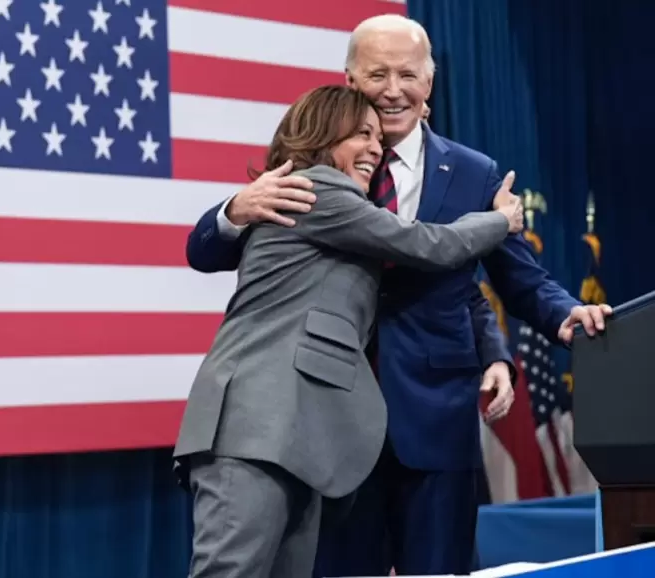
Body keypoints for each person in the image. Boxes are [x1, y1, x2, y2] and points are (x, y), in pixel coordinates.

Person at [183, 14, 613, 577]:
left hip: (433, 417)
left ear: (429, 84)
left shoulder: (471, 172)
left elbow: (506, 281)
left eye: (406, 74)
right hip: (322, 420)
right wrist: (233, 211)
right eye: (377, 73)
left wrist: (560, 315)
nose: (392, 89)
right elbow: (206, 252)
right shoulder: (308, 173)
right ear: (349, 78)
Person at [173, 85, 524, 578]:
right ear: (323, 135)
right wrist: (500, 219)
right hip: (257, 427)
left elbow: (454, 289)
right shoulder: (317, 190)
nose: (376, 149)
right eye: (362, 134)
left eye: (379, 138)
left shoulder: (329, 205)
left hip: (298, 438)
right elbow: (428, 244)